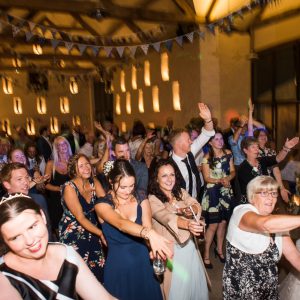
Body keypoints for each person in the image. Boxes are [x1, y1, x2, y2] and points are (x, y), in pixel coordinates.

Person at [0, 193, 116, 300]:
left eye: (32, 227)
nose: (30, 241)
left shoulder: (65, 253)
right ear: (4, 241)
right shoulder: (4, 278)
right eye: (15, 237)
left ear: (43, 216)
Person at [94, 159, 173, 300]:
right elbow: (120, 223)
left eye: (131, 186)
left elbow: (148, 226)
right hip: (119, 268)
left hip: (143, 264)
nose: (128, 191)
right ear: (111, 182)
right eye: (123, 187)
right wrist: (149, 234)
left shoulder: (141, 198)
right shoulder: (102, 205)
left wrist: (154, 247)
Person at [223, 176, 300, 300]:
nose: (270, 198)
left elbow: (294, 256)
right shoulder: (242, 212)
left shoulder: (277, 223)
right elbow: (264, 225)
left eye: (274, 193)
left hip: (269, 288)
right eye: (264, 193)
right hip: (243, 290)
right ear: (252, 197)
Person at [148, 159, 209, 300]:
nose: (169, 179)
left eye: (172, 175)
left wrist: (190, 210)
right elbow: (166, 217)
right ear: (156, 179)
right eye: (164, 176)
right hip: (171, 253)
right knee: (177, 291)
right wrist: (187, 224)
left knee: (194, 287)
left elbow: (195, 204)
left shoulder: (180, 192)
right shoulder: (152, 199)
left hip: (190, 248)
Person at [59, 154, 106, 282]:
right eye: (81, 166)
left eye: (87, 164)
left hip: (92, 226)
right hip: (74, 230)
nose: (86, 168)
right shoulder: (69, 187)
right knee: (80, 273)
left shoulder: (93, 181)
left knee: (97, 267)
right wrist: (101, 233)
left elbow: (106, 203)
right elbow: (80, 217)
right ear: (74, 170)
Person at [201, 131, 235, 268]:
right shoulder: (207, 157)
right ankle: (206, 255)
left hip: (226, 192)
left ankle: (219, 249)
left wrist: (228, 178)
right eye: (216, 139)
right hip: (213, 193)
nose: (220, 141)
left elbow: (233, 172)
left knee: (223, 223)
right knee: (213, 225)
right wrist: (221, 180)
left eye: (221, 139)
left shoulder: (228, 153)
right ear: (210, 142)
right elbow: (207, 178)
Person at [169, 103, 215, 202]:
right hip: (180, 206)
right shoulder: (168, 165)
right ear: (178, 144)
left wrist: (208, 120)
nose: (191, 141)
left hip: (196, 200)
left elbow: (206, 134)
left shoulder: (190, 152)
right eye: (188, 140)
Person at [237, 136, 299, 203]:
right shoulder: (243, 168)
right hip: (251, 202)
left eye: (257, 146)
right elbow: (254, 188)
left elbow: (278, 158)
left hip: (264, 198)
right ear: (245, 150)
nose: (257, 149)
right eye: (253, 147)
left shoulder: (262, 160)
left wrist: (285, 148)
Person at [254, 128, 290, 203]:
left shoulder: (271, 151)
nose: (263, 136)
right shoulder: (254, 151)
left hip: (270, 183)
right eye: (261, 135)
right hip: (258, 183)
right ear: (256, 138)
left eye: (265, 135)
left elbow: (276, 170)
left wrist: (282, 188)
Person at [45, 136, 72, 231]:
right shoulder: (51, 164)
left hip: (72, 199)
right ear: (56, 148)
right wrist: (60, 189)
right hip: (56, 201)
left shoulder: (74, 161)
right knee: (59, 229)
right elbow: (46, 185)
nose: (63, 146)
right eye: (60, 145)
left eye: (64, 143)